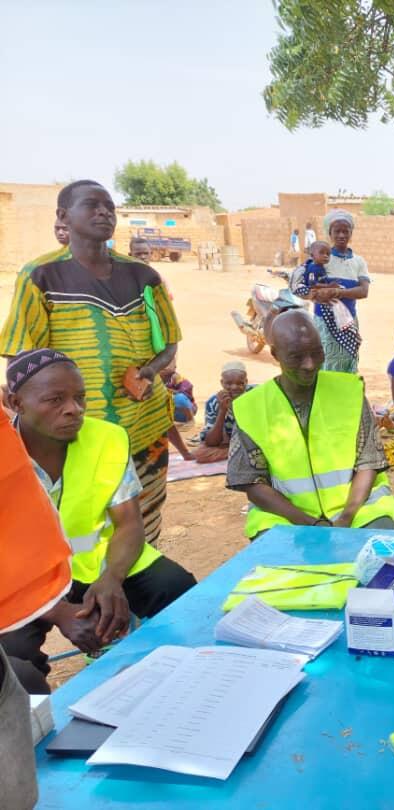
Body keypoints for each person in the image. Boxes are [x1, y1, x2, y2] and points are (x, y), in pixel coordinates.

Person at [0, 350, 195, 694]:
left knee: (178, 589)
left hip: (99, 565)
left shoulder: (106, 438)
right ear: (17, 403)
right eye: (55, 399)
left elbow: (129, 523)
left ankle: (186, 684)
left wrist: (111, 579)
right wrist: (59, 612)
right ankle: (41, 734)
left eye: (80, 397)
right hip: (25, 584)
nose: (73, 408)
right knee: (14, 657)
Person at [0, 180, 182, 546]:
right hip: (75, 430)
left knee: (144, 527)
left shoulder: (144, 275)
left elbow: (170, 341)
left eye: (109, 206)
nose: (104, 212)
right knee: (80, 524)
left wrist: (147, 372)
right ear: (63, 216)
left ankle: (139, 594)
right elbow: (21, 355)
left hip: (144, 425)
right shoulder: (40, 275)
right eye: (92, 205)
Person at [227, 310, 394, 538]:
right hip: (286, 516)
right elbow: (251, 482)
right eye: (296, 357)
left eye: (317, 353)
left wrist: (346, 518)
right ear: (275, 354)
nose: (309, 365)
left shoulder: (350, 391)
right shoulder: (250, 407)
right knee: (279, 566)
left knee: (385, 559)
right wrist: (308, 523)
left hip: (358, 510)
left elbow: (368, 463)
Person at [1, 405, 72, 808]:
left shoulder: (105, 440)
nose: (72, 408)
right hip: (37, 598)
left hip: (48, 589)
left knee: (25, 680)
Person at [291, 213, 370, 372]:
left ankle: (344, 394)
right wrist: (315, 294)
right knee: (326, 361)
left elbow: (363, 291)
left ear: (351, 233)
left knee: (349, 360)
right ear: (330, 234)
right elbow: (301, 284)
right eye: (337, 231)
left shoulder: (358, 261)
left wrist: (336, 292)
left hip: (348, 320)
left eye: (345, 231)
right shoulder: (321, 258)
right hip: (324, 321)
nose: (341, 235)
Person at [194, 360, 251, 463]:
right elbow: (211, 442)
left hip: (251, 442)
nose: (234, 387)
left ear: (246, 382)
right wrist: (222, 410)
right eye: (229, 383)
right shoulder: (213, 402)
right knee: (200, 454)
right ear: (222, 383)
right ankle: (239, 454)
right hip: (229, 445)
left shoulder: (254, 396)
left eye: (240, 383)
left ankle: (238, 454)